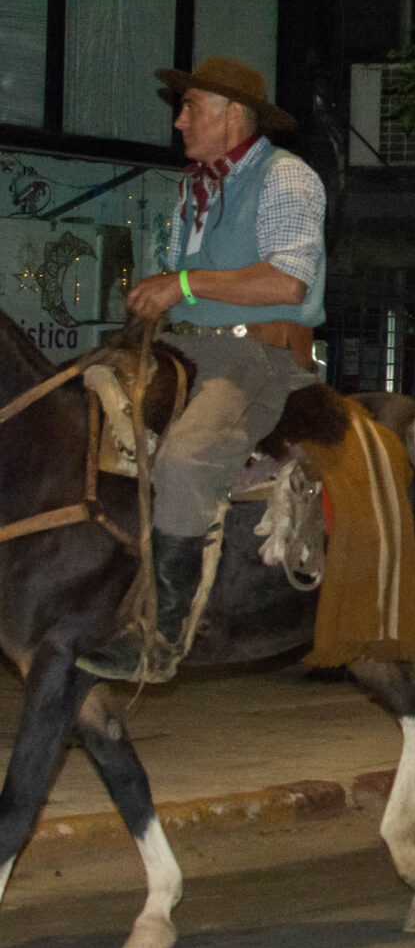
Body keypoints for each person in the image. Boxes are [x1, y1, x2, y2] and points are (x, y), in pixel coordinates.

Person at [81, 58, 325, 683]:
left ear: (231, 115)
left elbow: (286, 279)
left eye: (191, 107)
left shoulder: (286, 178)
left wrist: (182, 282)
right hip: (182, 352)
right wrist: (159, 303)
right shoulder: (196, 186)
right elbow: (185, 290)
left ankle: (160, 639)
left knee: (185, 462)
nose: (178, 119)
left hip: (254, 357)